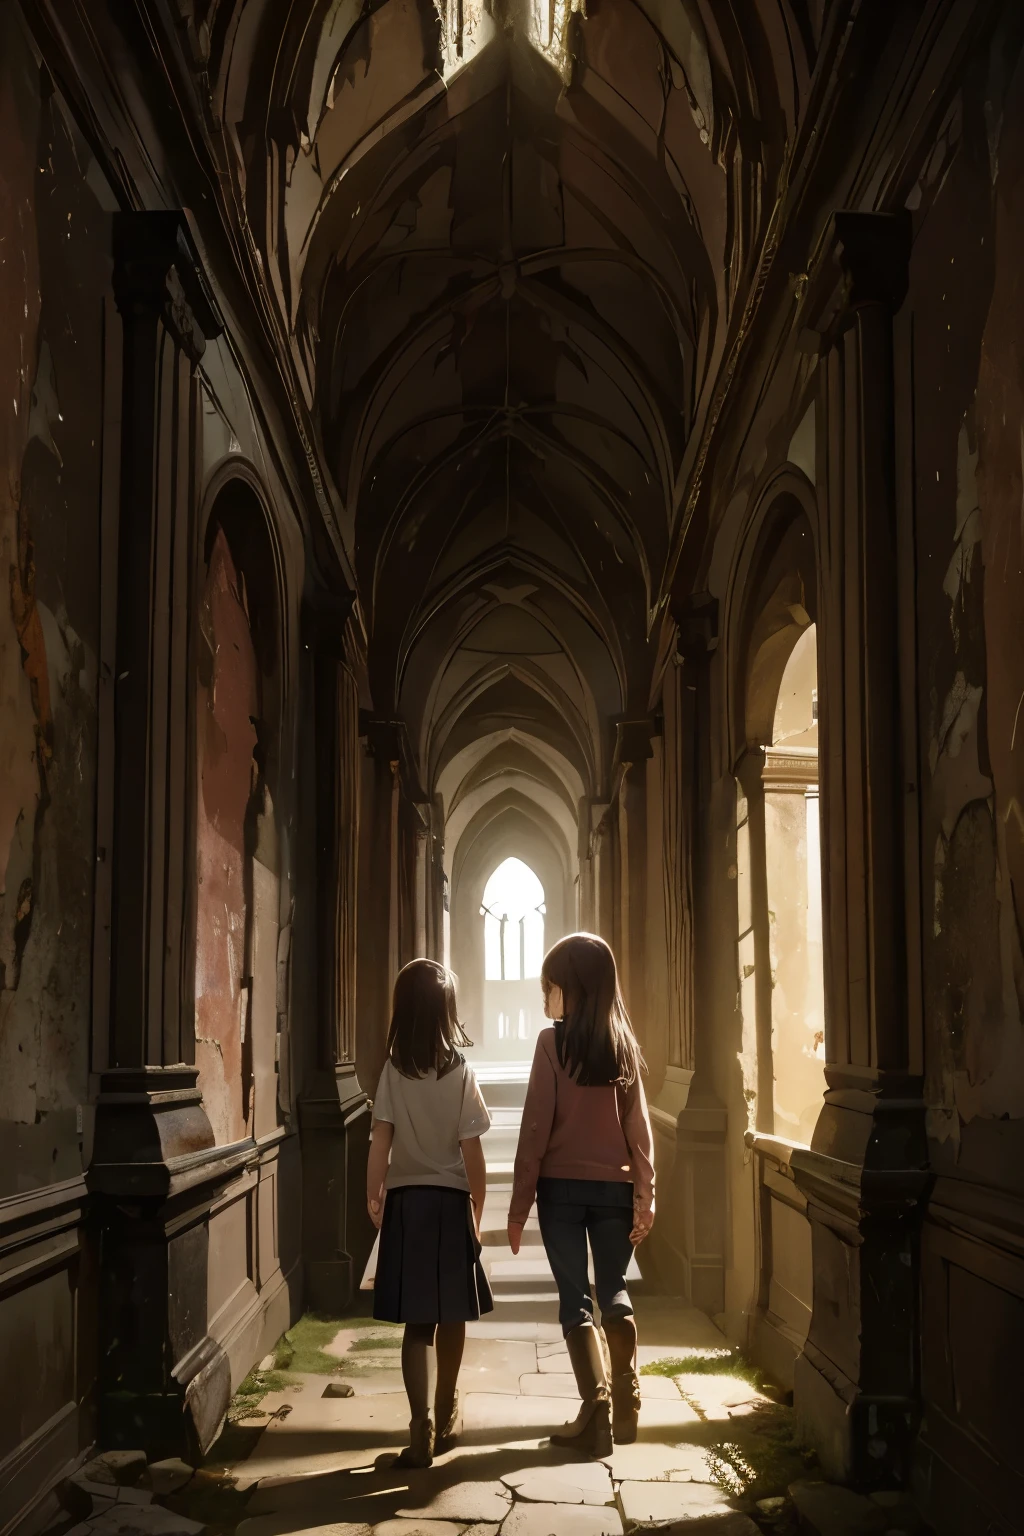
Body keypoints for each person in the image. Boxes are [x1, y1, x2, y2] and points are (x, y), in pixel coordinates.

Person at [508, 932, 654, 1457]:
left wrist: (520, 1204)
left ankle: (594, 1411)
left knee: (576, 1299)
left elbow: (534, 1129)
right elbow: (639, 1127)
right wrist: (646, 1192)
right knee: (614, 1287)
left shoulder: (552, 1044)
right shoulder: (623, 1046)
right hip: (616, 1188)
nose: (543, 997)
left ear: (571, 989)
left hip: (561, 1192)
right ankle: (628, 1397)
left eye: (549, 987)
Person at [367, 959, 492, 1467]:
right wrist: (477, 1210)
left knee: (417, 1325)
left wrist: (373, 1195)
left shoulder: (393, 1071)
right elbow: (473, 1151)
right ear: (447, 1013)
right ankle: (446, 1411)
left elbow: (381, 1141)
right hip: (449, 1203)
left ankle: (418, 1425)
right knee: (453, 1314)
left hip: (407, 1204)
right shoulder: (461, 1070)